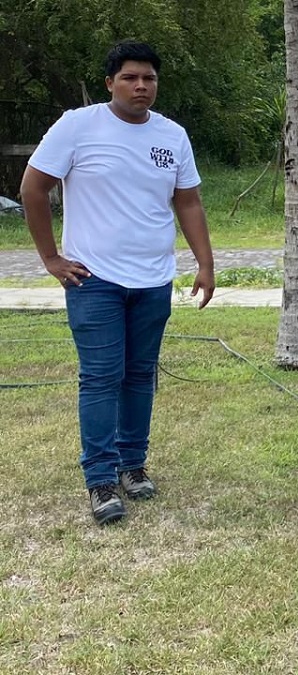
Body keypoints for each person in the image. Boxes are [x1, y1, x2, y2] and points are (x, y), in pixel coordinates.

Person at [21, 40, 215, 525]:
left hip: (152, 280)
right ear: (111, 83)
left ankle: (133, 465)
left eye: (148, 78)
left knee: (139, 374)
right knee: (101, 376)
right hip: (94, 279)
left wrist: (205, 264)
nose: (140, 86)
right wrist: (51, 258)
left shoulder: (172, 135)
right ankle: (101, 479)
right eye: (130, 77)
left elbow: (187, 202)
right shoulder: (77, 126)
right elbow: (33, 188)